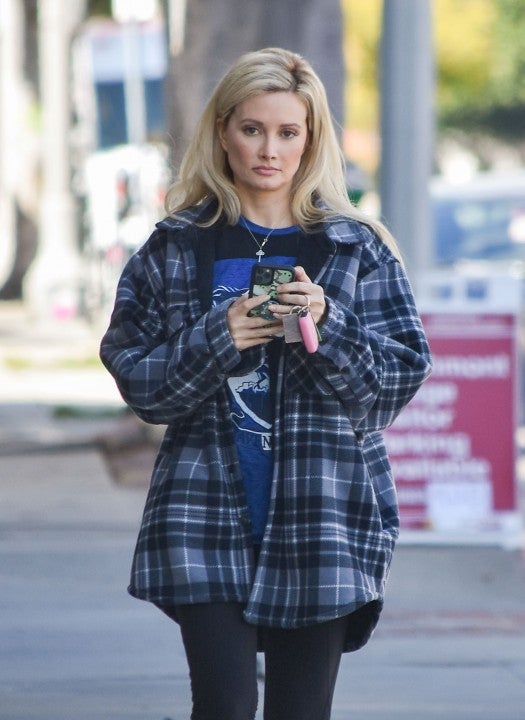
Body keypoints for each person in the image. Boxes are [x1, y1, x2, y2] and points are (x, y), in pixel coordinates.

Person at [100, 47, 432, 720]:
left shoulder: (354, 247)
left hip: (323, 514)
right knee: (222, 706)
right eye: (252, 129)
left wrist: (327, 322)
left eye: (287, 132)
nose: (269, 150)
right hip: (201, 512)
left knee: (299, 711)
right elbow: (140, 385)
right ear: (222, 131)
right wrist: (219, 335)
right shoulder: (174, 247)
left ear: (310, 139)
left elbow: (392, 387)